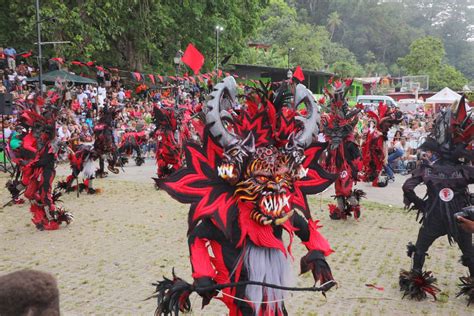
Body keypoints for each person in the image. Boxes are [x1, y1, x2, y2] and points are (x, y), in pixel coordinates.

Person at [153, 77, 336, 315]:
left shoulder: (281, 210)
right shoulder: (227, 216)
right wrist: (204, 274)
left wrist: (317, 255)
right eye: (263, 179)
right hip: (240, 296)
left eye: (281, 179)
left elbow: (306, 229)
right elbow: (197, 237)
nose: (276, 189)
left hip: (273, 297)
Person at [400, 98, 474, 305]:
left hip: (433, 216)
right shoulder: (465, 170)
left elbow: (407, 187)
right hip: (460, 218)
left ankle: (416, 280)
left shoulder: (428, 169)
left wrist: (422, 205)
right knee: (469, 252)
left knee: (421, 248)